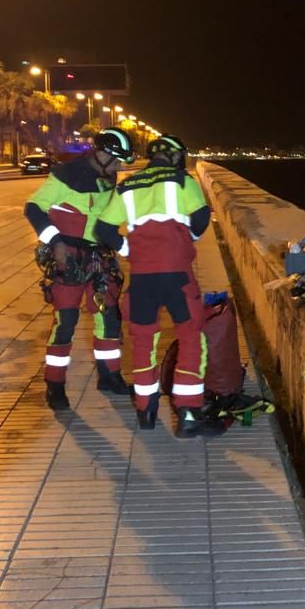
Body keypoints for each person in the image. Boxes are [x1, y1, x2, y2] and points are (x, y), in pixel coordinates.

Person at [95, 134, 220, 438]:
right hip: (177, 275)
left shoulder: (126, 185)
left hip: (141, 278)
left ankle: (146, 410)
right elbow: (202, 216)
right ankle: (189, 412)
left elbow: (103, 228)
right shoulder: (181, 181)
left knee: (142, 341)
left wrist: (128, 251)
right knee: (192, 338)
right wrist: (183, 240)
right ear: (175, 156)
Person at [24, 127, 135, 411]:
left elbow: (106, 222)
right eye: (117, 160)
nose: (120, 167)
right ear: (101, 154)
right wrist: (55, 241)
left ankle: (109, 376)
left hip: (100, 256)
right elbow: (34, 208)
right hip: (68, 259)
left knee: (109, 319)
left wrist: (130, 250)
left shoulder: (108, 178)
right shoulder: (65, 174)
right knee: (66, 323)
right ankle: (55, 385)